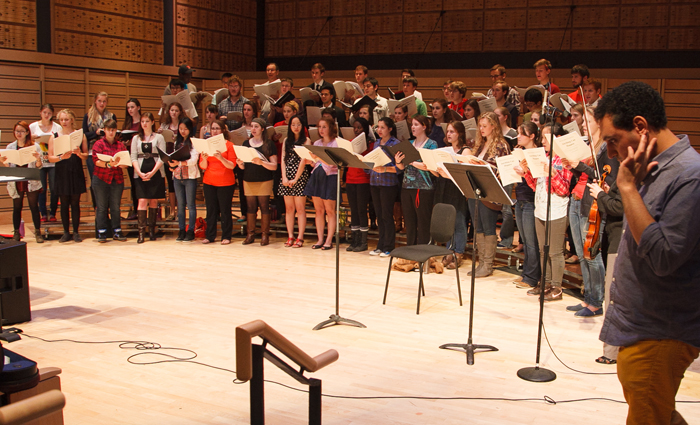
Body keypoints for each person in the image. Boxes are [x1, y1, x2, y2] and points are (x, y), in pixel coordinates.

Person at [595, 81, 700, 425]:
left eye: (612, 139)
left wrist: (627, 187)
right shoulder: (650, 166)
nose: (610, 152)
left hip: (660, 331)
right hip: (641, 325)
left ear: (640, 126)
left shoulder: (690, 176)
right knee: (659, 415)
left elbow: (664, 255)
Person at [562, 105, 619, 317]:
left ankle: (596, 301)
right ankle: (588, 299)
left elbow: (607, 179)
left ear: (599, 122)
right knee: (581, 253)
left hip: (592, 203)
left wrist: (581, 166)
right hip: (577, 199)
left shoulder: (607, 147)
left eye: (587, 121)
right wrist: (573, 166)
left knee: (591, 254)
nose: (583, 125)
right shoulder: (589, 145)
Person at [516, 124, 572, 301]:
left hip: (556, 208)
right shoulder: (544, 156)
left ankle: (557, 286)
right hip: (540, 207)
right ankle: (545, 283)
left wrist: (552, 172)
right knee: (542, 250)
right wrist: (526, 172)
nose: (542, 141)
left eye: (546, 138)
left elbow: (563, 189)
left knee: (555, 251)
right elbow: (536, 186)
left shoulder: (564, 160)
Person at [465, 112, 511, 277]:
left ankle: (488, 265)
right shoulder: (479, 144)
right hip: (475, 190)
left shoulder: (501, 145)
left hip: (490, 192)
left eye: (485, 126)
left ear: (494, 126)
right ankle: (481, 262)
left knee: (489, 228)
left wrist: (484, 165)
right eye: (480, 126)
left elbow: (504, 168)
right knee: (478, 227)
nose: (482, 129)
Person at [394, 115, 436, 246]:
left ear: (424, 126)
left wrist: (411, 162)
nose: (413, 127)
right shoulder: (409, 144)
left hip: (423, 188)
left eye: (416, 124)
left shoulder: (431, 144)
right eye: (412, 124)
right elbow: (402, 167)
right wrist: (398, 161)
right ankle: (410, 249)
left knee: (423, 221)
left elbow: (427, 166)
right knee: (410, 221)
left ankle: (424, 250)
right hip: (407, 186)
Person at [435, 121, 471, 269]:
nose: (448, 134)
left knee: (459, 221)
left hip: (458, 188)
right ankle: (449, 250)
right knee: (449, 221)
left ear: (460, 133)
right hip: (445, 187)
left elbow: (464, 175)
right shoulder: (444, 150)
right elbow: (440, 173)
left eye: (452, 131)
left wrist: (447, 174)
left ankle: (458, 252)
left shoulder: (466, 151)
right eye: (448, 131)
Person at [49, 109, 88, 243]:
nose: (64, 122)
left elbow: (86, 155)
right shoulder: (54, 136)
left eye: (66, 119)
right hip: (62, 170)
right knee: (64, 203)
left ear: (72, 120)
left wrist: (78, 153)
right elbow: (50, 157)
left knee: (75, 202)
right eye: (61, 120)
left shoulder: (80, 135)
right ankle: (66, 232)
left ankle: (76, 232)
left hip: (75, 169)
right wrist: (60, 157)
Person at [0, 121, 43, 243]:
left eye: (22, 131)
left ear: (27, 132)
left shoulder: (35, 146)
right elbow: (8, 166)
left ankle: (37, 232)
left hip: (30, 179)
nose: (19, 134)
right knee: (17, 207)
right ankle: (16, 233)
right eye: (17, 131)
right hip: (16, 179)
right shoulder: (10, 147)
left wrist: (38, 159)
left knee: (34, 206)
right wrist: (4, 162)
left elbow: (40, 166)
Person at [237, 118, 278, 246]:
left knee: (264, 207)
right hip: (248, 179)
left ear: (262, 129)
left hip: (264, 179)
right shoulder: (245, 143)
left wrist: (261, 162)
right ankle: (250, 234)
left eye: (256, 126)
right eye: (252, 126)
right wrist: (240, 164)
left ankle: (265, 235)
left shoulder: (268, 144)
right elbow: (243, 166)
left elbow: (274, 166)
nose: (253, 129)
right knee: (250, 208)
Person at [511, 122, 541, 289]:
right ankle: (526, 274)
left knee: (531, 241)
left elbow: (537, 178)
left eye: (522, 134)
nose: (518, 136)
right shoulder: (519, 152)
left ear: (532, 136)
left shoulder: (537, 154)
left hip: (531, 199)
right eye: (517, 133)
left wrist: (526, 169)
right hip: (520, 198)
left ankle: (531, 277)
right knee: (524, 238)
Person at [91, 119, 129, 243]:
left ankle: (117, 231)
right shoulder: (98, 144)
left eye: (113, 130)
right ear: (105, 130)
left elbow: (126, 164)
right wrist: (109, 164)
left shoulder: (120, 145)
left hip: (116, 179)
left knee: (115, 207)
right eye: (108, 130)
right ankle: (102, 232)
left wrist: (119, 163)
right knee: (101, 207)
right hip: (101, 178)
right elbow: (96, 161)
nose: (111, 132)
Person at [303, 117, 339, 250]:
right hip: (317, 176)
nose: (321, 130)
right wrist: (310, 161)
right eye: (319, 127)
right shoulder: (317, 143)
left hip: (330, 177)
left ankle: (329, 240)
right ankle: (320, 239)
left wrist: (317, 158)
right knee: (318, 210)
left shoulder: (336, 143)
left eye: (324, 127)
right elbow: (315, 162)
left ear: (331, 128)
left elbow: (333, 163)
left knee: (330, 211)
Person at [199, 120, 237, 245]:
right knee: (211, 210)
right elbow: (203, 166)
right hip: (209, 181)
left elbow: (232, 165)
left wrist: (221, 158)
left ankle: (226, 236)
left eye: (217, 128)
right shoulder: (206, 145)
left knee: (225, 210)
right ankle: (210, 236)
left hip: (225, 182)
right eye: (212, 128)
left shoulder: (229, 145)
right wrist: (204, 159)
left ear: (222, 130)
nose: (214, 131)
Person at [130, 112, 166, 244]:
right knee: (142, 201)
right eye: (142, 121)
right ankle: (141, 232)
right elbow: (133, 157)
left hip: (156, 172)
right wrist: (139, 172)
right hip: (140, 172)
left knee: (154, 201)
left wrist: (152, 172)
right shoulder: (136, 138)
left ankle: (152, 230)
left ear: (152, 122)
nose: (144, 123)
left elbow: (162, 157)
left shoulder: (159, 137)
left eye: (147, 121)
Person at [369, 117, 401, 257]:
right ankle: (380, 245)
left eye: (383, 127)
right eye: (378, 127)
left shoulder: (395, 144)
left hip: (388, 183)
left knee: (387, 215)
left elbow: (400, 167)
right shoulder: (376, 142)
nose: (379, 130)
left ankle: (389, 246)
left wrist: (385, 169)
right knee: (379, 215)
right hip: (375, 182)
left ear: (390, 129)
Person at [278, 115, 311, 248]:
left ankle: (300, 237)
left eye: (298, 124)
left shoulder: (306, 140)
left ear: (302, 126)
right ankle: (290, 235)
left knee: (300, 208)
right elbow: (283, 159)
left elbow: (304, 160)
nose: (295, 127)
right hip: (287, 176)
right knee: (289, 208)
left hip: (300, 176)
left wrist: (296, 178)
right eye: (293, 124)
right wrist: (284, 177)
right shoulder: (286, 140)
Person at [83, 91, 116, 209]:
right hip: (93, 151)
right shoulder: (88, 116)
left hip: (108, 151)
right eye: (99, 101)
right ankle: (97, 206)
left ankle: (108, 206)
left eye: (104, 101)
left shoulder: (111, 116)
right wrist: (95, 133)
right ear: (95, 101)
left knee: (109, 180)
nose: (102, 103)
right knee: (95, 181)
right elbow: (84, 134)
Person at [168, 117, 200, 242]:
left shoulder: (194, 142)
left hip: (190, 177)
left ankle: (190, 230)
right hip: (177, 176)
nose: (182, 131)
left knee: (191, 205)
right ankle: (181, 230)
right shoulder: (177, 141)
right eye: (180, 129)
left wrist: (179, 163)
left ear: (190, 129)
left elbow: (193, 161)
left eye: (185, 129)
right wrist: (172, 165)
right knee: (180, 205)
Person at [345, 117, 373, 252]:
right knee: (353, 210)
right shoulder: (350, 143)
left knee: (362, 210)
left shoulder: (370, 144)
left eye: (359, 128)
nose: (356, 130)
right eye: (354, 128)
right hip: (350, 179)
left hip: (363, 180)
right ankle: (354, 240)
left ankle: (363, 241)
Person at [30, 104, 61, 222]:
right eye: (44, 112)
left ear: (52, 114)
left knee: (54, 188)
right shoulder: (33, 126)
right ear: (40, 113)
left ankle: (53, 212)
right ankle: (43, 213)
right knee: (41, 188)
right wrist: (32, 137)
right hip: (39, 161)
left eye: (49, 113)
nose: (47, 115)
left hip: (52, 161)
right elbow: (27, 142)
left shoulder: (57, 127)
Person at [159, 102, 186, 221]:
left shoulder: (182, 124)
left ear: (180, 112)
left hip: (179, 156)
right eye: (172, 110)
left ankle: (181, 211)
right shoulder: (164, 125)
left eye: (176, 110)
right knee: (170, 184)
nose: (174, 112)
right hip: (168, 156)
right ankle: (171, 211)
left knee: (180, 183)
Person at [122, 98, 142, 220]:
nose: (130, 110)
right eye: (128, 107)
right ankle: (135, 210)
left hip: (141, 157)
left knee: (141, 185)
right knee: (134, 184)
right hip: (130, 157)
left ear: (138, 107)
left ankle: (143, 211)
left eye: (132, 107)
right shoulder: (127, 124)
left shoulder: (142, 122)